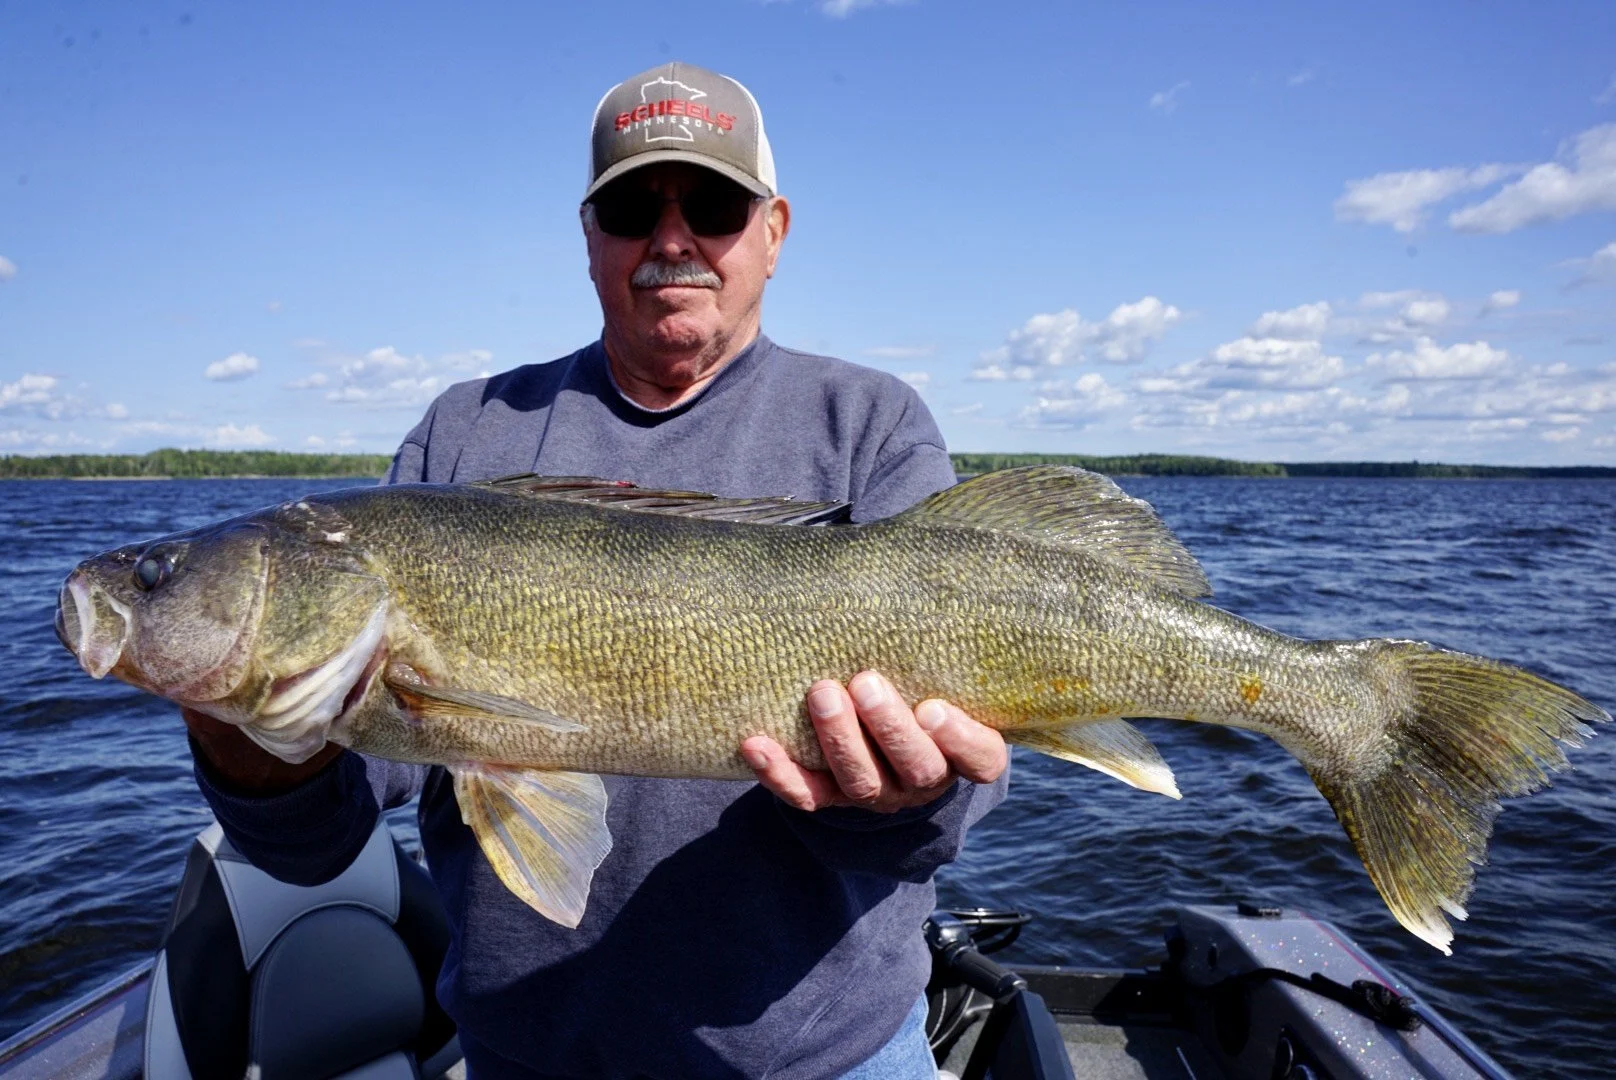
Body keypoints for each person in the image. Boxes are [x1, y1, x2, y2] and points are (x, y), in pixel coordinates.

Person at [185, 61, 1009, 1079]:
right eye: (630, 207)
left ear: (774, 230)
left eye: (711, 204)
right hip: (528, 1056)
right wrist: (247, 742)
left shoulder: (868, 427)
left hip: (829, 1059)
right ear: (587, 237)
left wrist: (903, 798)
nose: (671, 240)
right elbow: (314, 844)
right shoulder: (462, 435)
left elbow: (939, 824)